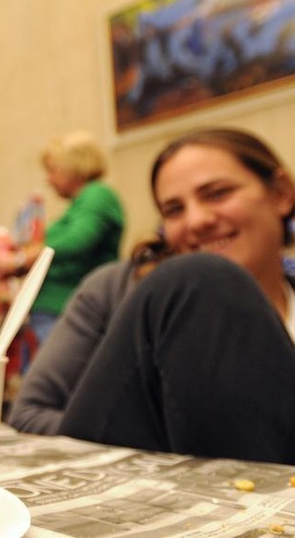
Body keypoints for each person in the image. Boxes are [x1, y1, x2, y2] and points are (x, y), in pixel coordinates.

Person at [54, 127, 295, 464]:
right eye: (174, 210)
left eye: (217, 194)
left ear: (281, 193)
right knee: (198, 278)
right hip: (125, 478)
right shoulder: (118, 291)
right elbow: (31, 412)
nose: (196, 221)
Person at [8, 234, 172, 434]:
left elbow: (76, 241)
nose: (197, 221)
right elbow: (27, 414)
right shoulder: (110, 286)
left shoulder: (97, 211)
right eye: (173, 215)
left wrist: (18, 260)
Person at [0, 130, 125, 364]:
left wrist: (21, 259)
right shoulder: (81, 203)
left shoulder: (97, 195)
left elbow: (78, 240)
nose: (49, 179)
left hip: (65, 309)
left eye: (53, 170)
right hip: (54, 311)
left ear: (74, 167)